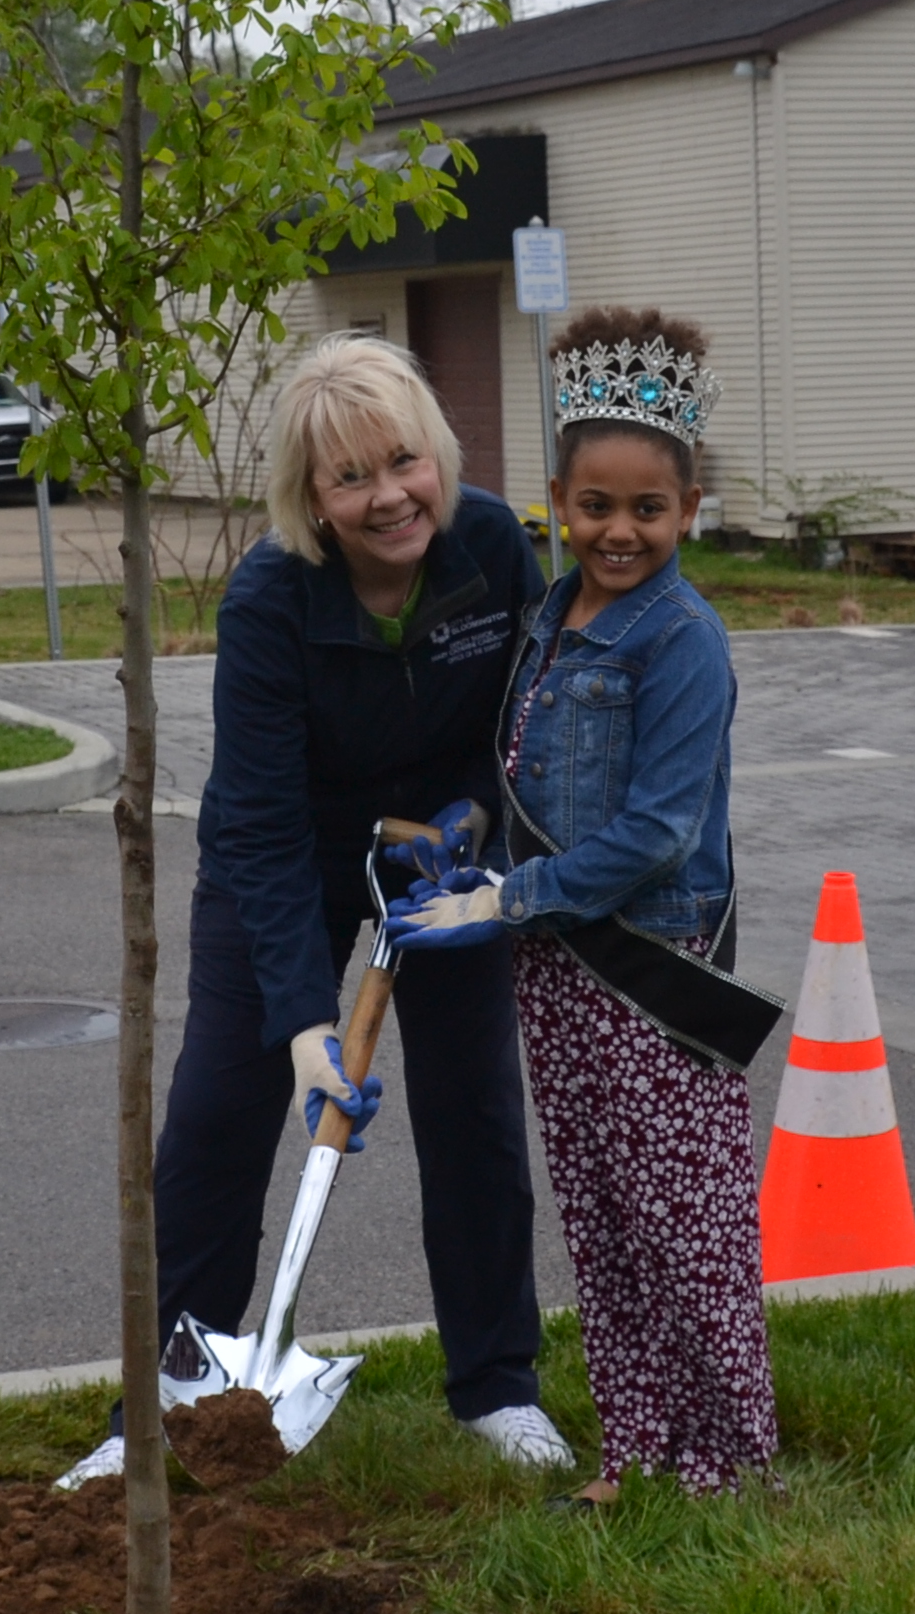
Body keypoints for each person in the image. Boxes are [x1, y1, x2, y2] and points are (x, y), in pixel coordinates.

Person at [57, 334, 574, 1485]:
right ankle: (162, 1404)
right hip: (283, 853)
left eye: (404, 460)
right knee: (217, 1116)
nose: (390, 496)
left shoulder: (491, 545)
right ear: (312, 499)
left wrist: (477, 829)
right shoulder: (269, 600)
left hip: (441, 860)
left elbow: (528, 736)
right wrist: (302, 1029)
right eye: (353, 478)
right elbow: (260, 826)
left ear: (436, 454)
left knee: (475, 1111)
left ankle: (496, 1388)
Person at [383, 305, 774, 1500]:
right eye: (596, 507)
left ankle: (730, 1462)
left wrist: (510, 899)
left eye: (648, 510)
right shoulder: (554, 616)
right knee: (602, 1221)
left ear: (688, 512)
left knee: (685, 1227)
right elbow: (525, 771)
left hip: (649, 969)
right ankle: (639, 1448)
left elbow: (656, 831)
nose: (619, 532)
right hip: (555, 968)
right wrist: (471, 841)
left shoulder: (684, 641)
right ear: (559, 498)